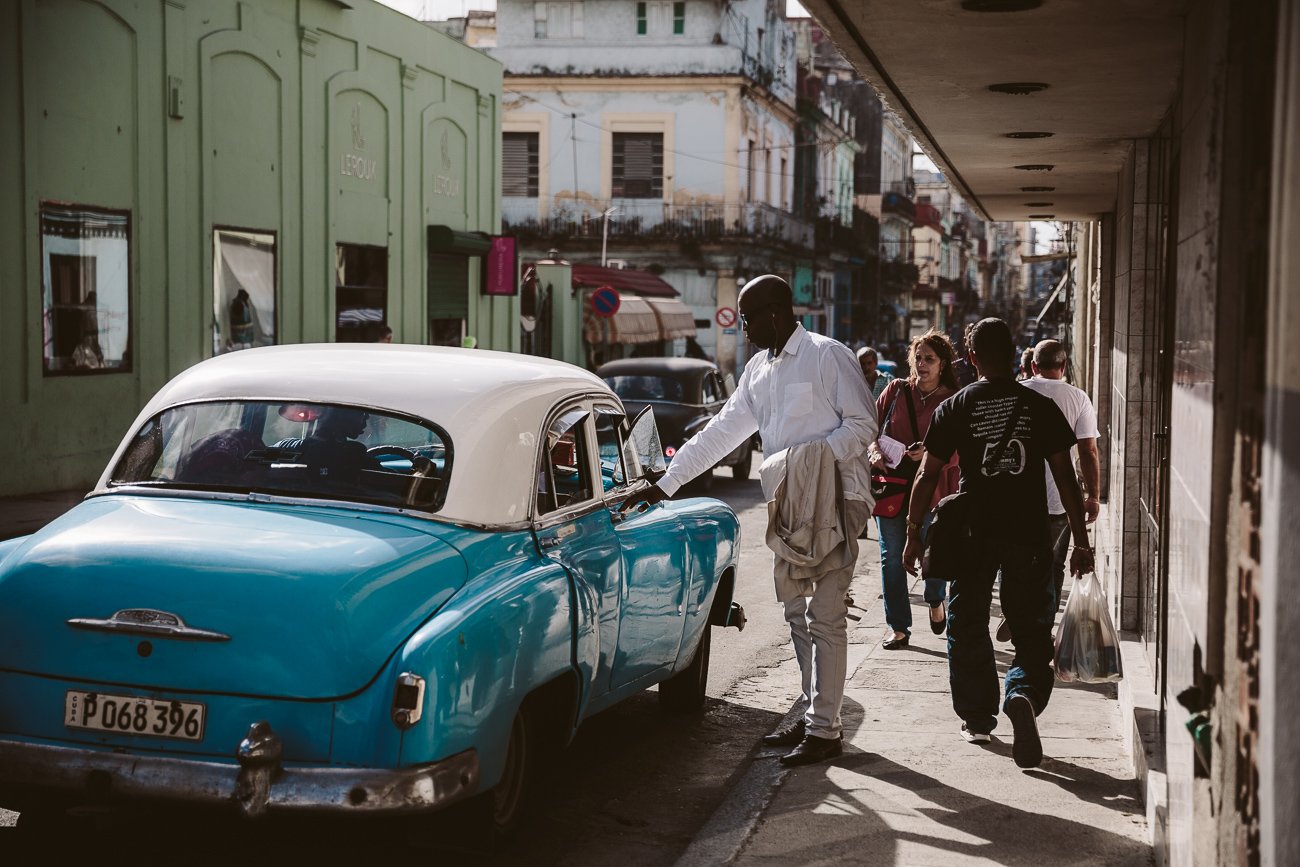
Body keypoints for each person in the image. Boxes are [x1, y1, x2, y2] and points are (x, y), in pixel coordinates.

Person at [622, 275, 877, 767]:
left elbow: (864, 425)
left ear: (776, 313)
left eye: (748, 317)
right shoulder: (759, 369)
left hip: (836, 502)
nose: (743, 327)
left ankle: (825, 729)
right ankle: (812, 716)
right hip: (788, 507)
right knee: (796, 615)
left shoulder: (828, 355)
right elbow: (722, 432)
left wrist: (811, 462)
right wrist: (668, 482)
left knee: (825, 616)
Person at [902, 317, 1094, 769]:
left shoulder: (956, 406)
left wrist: (913, 535)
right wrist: (1081, 541)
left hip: (972, 531)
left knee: (967, 622)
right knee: (1029, 627)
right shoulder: (1037, 405)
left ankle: (978, 718)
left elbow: (928, 475)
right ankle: (1022, 692)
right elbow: (1067, 478)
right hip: (1027, 532)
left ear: (971, 359)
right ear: (1014, 354)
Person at [866, 331, 961, 649]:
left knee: (933, 555)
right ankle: (898, 627)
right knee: (890, 557)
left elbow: (963, 449)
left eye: (929, 359)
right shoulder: (895, 391)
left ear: (942, 363)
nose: (922, 364)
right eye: (918, 358)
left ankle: (936, 599)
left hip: (934, 491)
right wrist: (874, 452)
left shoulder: (952, 399)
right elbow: (869, 428)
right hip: (891, 488)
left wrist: (933, 454)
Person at [1021, 339, 1101, 609]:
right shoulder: (1078, 398)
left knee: (1016, 559)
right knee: (1054, 562)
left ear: (1033, 366)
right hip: (1059, 498)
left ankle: (1018, 606)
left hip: (1020, 495)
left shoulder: (1018, 392)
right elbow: (1088, 451)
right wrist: (1093, 496)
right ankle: (1045, 617)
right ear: (1064, 365)